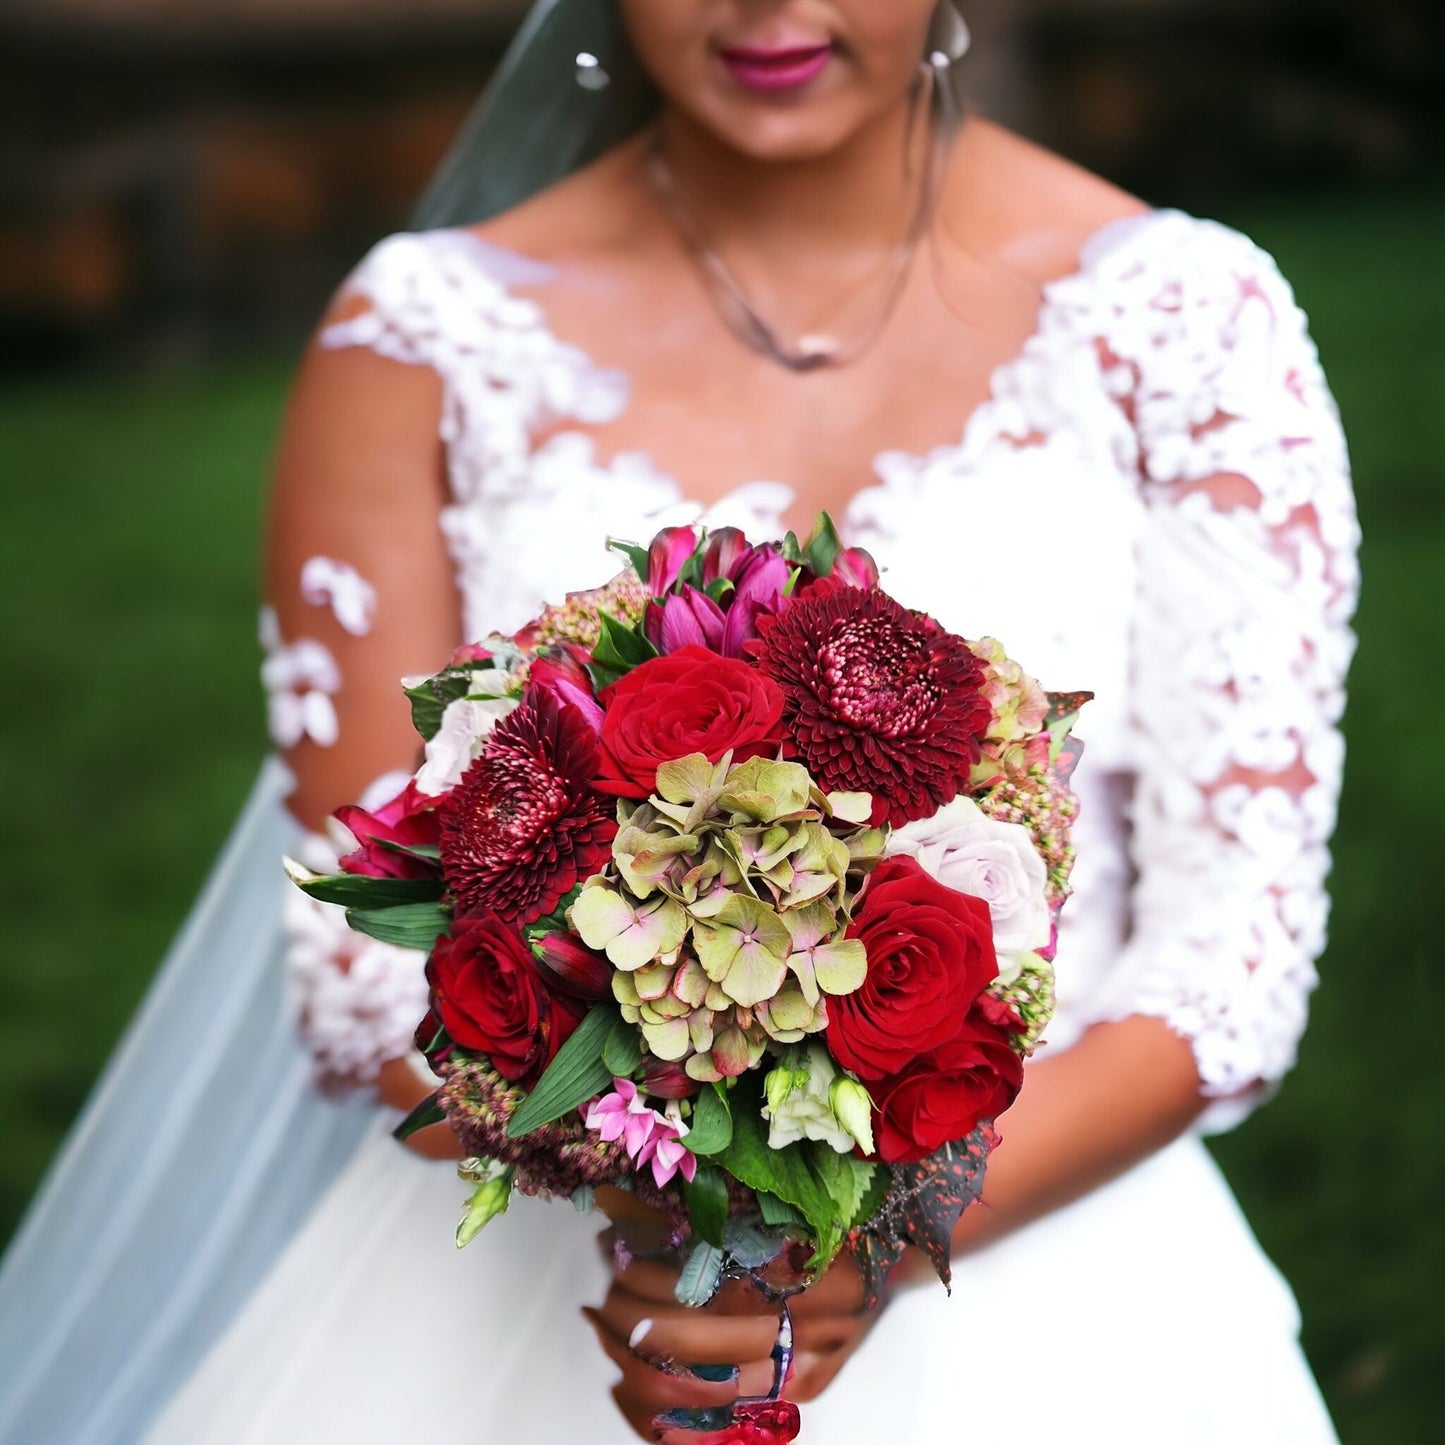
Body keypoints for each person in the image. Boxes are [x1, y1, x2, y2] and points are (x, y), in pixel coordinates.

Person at [0, 1, 1359, 1441]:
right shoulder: (422, 335)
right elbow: (355, 954)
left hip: (1051, 1258)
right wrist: (672, 1214)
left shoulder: (1187, 323)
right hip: (522, 1265)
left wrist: (855, 1247)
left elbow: (1227, 968)